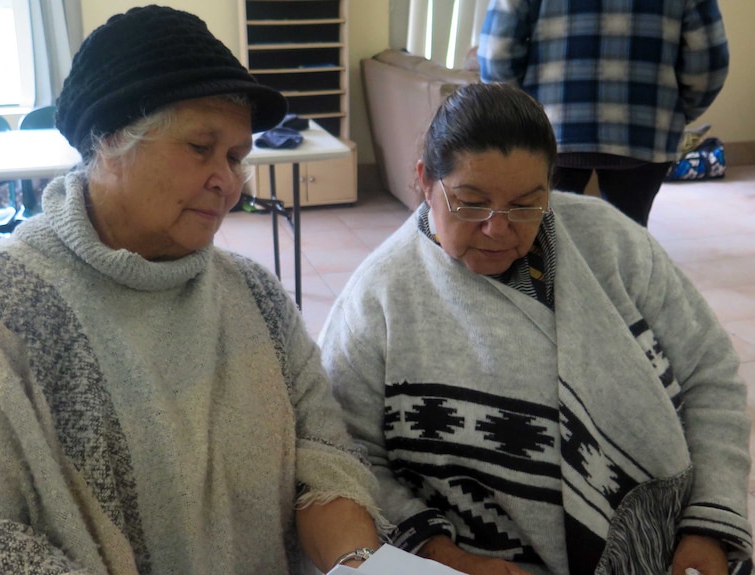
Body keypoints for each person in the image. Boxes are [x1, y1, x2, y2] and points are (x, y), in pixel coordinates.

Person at [0, 6, 386, 574]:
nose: (227, 182)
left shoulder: (256, 297)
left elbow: (325, 454)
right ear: (108, 143)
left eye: (234, 157)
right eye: (201, 148)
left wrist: (358, 563)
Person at [317, 83, 752, 575]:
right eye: (470, 202)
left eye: (526, 204)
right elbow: (346, 456)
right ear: (423, 180)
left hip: (663, 550)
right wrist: (442, 555)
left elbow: (708, 376)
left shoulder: (613, 246)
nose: (498, 228)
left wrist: (707, 526)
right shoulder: (378, 297)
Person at [477, 0, 729, 226]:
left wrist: (521, 116)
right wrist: (676, 114)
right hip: (647, 130)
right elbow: (709, 62)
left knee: (544, 242)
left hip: (548, 130)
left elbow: (497, 53)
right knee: (629, 244)